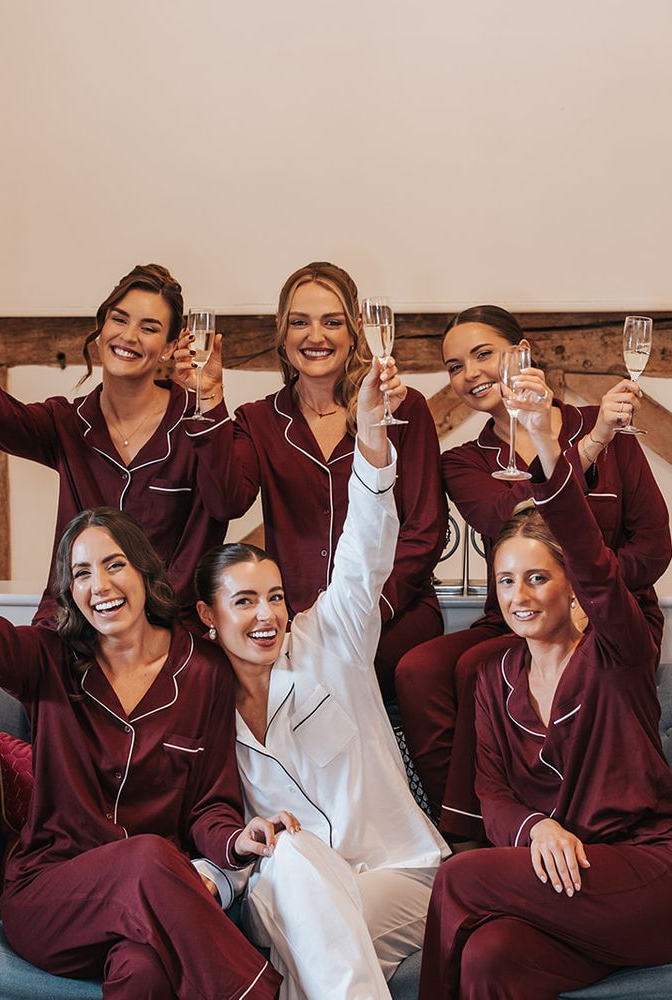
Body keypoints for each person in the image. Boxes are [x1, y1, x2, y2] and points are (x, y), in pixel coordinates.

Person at [0, 509, 284, 999]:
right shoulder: (48, 660)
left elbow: (209, 803)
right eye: (81, 573)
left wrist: (237, 840)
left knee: (144, 972)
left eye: (114, 565)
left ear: (143, 570)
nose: (100, 585)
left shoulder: (204, 674)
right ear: (70, 591)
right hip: (53, 896)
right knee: (146, 856)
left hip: (152, 901)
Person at [417, 376, 672, 1000]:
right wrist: (535, 830)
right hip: (572, 882)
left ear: (572, 585)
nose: (518, 597)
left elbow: (596, 560)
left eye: (536, 579)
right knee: (490, 957)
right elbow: (492, 794)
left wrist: (551, 452)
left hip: (654, 874)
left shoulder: (616, 651)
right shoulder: (494, 678)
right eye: (504, 582)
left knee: (460, 879)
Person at [193, 357, 449, 1000]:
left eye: (275, 597)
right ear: (207, 615)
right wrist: (211, 872)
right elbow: (208, 815)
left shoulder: (331, 636)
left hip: (399, 875)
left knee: (311, 927)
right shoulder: (198, 702)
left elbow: (365, 550)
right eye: (245, 601)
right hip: (283, 884)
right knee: (294, 861)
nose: (267, 615)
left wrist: (370, 439)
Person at [395, 305, 671, 835]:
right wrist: (587, 450)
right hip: (517, 616)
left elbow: (654, 547)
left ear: (522, 354)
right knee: (418, 670)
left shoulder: (609, 423)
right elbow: (503, 514)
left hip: (612, 621)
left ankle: (473, 834)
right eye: (454, 366)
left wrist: (591, 593)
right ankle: (449, 820)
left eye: (483, 355)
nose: (469, 374)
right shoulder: (466, 462)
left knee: (476, 668)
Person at [174, 261, 446, 697]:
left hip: (393, 610)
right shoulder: (257, 420)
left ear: (355, 329)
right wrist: (208, 401)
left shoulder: (402, 408)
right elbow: (227, 502)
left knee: (350, 670)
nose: (315, 337)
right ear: (281, 331)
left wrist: (367, 607)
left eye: (331, 322)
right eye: (300, 322)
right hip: (292, 618)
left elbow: (425, 530)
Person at [0, 234, 226, 625]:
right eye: (119, 319)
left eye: (149, 327)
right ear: (101, 327)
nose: (129, 336)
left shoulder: (199, 425)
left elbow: (226, 503)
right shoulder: (66, 424)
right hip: (73, 629)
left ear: (172, 345)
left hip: (165, 639)